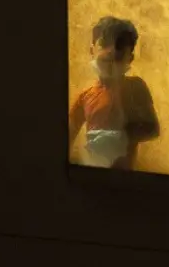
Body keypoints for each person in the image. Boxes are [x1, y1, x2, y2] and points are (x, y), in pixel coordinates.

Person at [68, 16, 160, 170]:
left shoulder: (135, 87)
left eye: (119, 47)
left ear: (129, 58)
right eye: (104, 43)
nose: (110, 52)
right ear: (92, 50)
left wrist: (121, 136)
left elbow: (153, 129)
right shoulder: (85, 96)